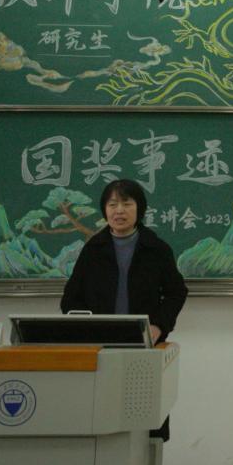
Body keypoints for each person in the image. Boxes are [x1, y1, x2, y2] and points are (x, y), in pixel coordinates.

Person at [61, 178, 188, 440]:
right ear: (104, 210)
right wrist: (85, 328)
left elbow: (177, 292)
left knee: (145, 425)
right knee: (100, 423)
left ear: (139, 209)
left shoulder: (156, 249)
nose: (119, 210)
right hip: (100, 350)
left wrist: (159, 325)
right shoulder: (93, 250)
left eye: (127, 204)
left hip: (144, 348)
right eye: (112, 204)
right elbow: (70, 300)